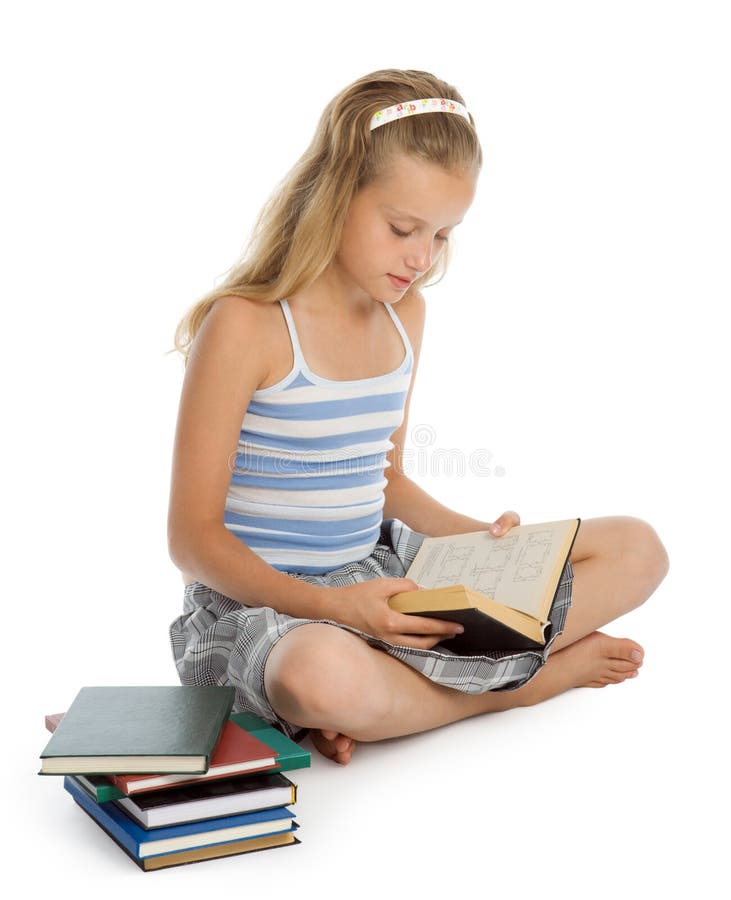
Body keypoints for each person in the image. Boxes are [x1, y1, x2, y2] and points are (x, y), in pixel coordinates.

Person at [167, 68, 669, 766]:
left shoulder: (405, 315)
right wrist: (341, 611)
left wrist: (484, 540)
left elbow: (387, 481)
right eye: (403, 228)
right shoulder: (246, 325)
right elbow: (193, 539)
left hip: (376, 576)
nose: (421, 257)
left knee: (636, 548)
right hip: (263, 603)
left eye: (441, 235)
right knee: (318, 674)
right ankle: (516, 688)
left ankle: (387, 707)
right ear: (336, 193)